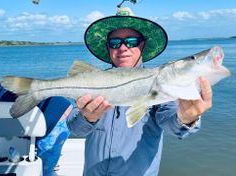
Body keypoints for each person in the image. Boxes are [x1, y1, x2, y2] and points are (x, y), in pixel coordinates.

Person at [66, 7, 213, 176]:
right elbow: (74, 128)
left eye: (131, 41)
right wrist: (88, 118)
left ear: (142, 45)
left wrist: (187, 118)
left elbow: (172, 123)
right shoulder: (92, 82)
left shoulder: (160, 84)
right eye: (115, 43)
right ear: (108, 48)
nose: (122, 48)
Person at [0, 80, 71, 176]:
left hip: (55, 117)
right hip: (60, 108)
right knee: (47, 158)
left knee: (44, 171)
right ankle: (50, 164)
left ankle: (49, 167)